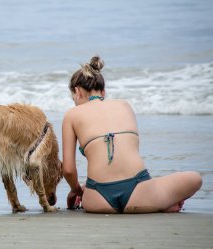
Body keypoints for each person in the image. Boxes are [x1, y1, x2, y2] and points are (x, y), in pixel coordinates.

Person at [62, 56, 202, 213]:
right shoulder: (124, 105)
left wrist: (78, 191)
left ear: (77, 91)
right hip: (139, 192)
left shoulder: (71, 115)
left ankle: (157, 202)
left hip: (98, 200)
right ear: (103, 91)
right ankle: (159, 202)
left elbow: (68, 170)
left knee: (90, 184)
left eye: (73, 98)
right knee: (195, 178)